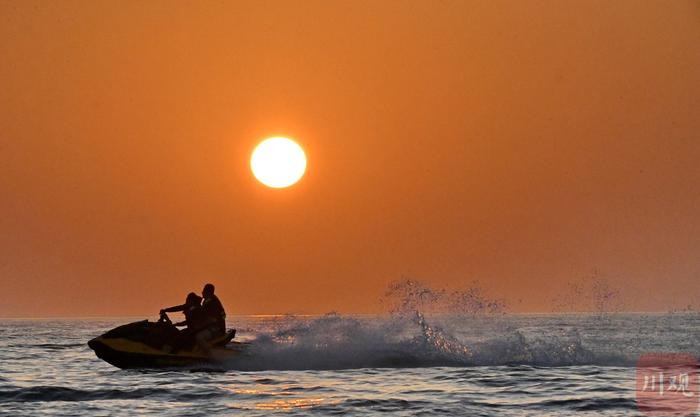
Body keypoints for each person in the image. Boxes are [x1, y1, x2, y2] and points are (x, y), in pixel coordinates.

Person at [194, 283, 227, 356]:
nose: (202, 292)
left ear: (208, 292)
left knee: (199, 337)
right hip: (212, 328)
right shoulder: (208, 300)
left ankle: (210, 356)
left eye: (203, 290)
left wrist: (199, 326)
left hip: (216, 330)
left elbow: (211, 319)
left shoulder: (212, 303)